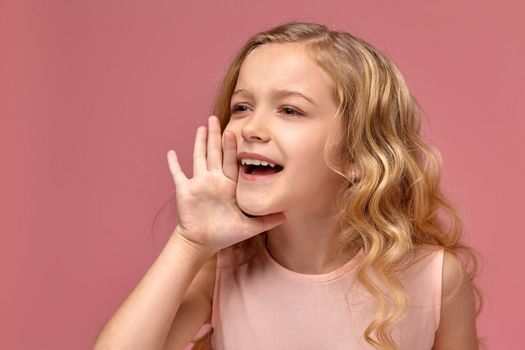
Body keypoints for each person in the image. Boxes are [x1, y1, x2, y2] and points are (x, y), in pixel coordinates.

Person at [93, 22, 483, 350]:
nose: (251, 128)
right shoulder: (221, 271)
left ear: (358, 155)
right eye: (242, 107)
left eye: (290, 110)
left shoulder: (435, 279)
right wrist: (190, 243)